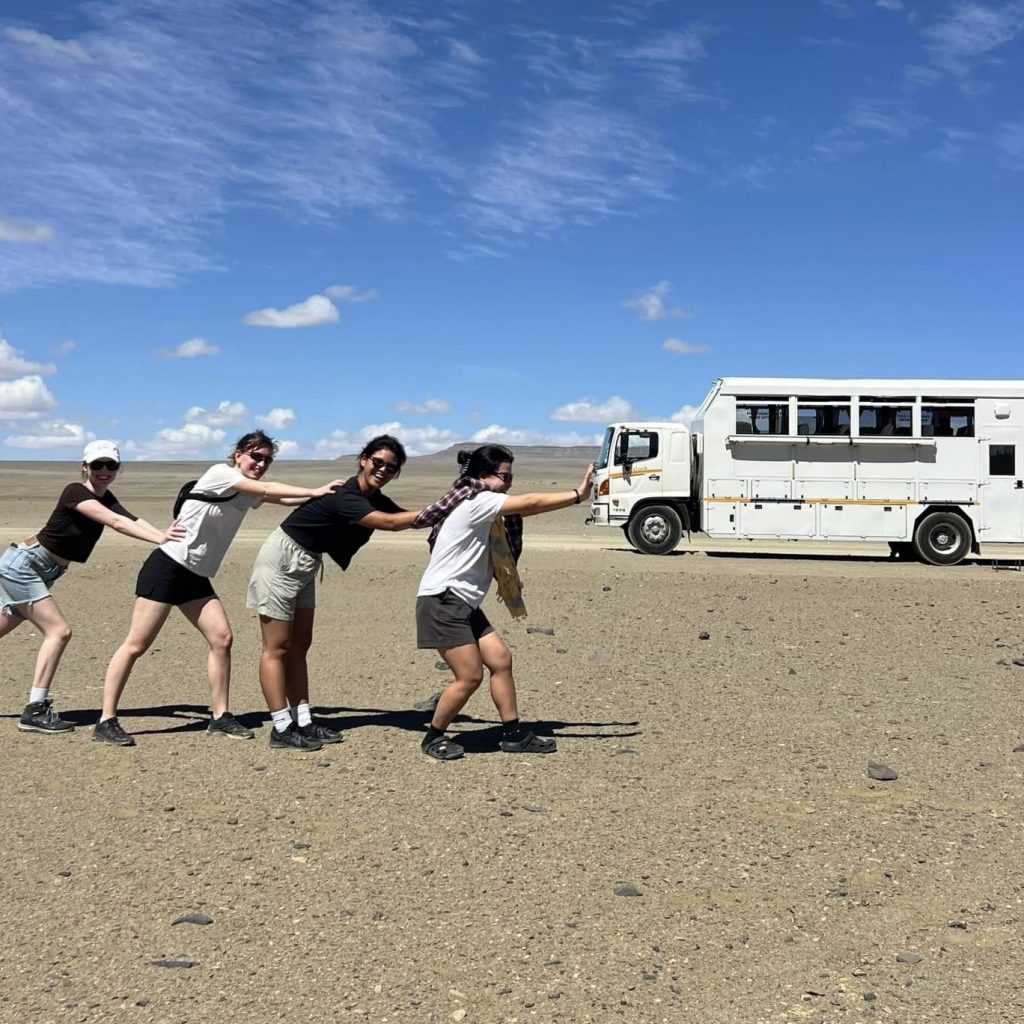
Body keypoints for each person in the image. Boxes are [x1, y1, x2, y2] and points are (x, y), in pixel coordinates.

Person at [93, 430, 345, 747]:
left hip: (195, 576)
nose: (261, 463)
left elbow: (278, 497)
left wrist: (321, 496)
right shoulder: (220, 474)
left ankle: (220, 716)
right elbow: (267, 488)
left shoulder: (243, 490)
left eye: (267, 459)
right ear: (238, 454)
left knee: (222, 638)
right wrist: (316, 489)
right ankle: (106, 720)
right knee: (136, 645)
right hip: (168, 567)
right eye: (255, 456)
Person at [413, 445, 594, 761]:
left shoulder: (476, 502)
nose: (509, 485)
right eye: (505, 477)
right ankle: (434, 737)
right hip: (444, 601)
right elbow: (531, 502)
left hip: (462, 602)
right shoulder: (477, 501)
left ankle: (513, 734)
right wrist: (578, 494)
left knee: (500, 659)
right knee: (469, 676)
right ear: (483, 475)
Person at [247, 434, 421, 751]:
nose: (382, 470)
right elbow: (391, 523)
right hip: (282, 559)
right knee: (277, 647)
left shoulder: (374, 497)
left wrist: (451, 510)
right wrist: (448, 507)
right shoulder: (348, 495)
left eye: (391, 468)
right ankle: (281, 727)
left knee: (300, 645)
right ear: (363, 460)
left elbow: (408, 517)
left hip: (308, 562)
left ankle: (303, 719)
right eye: (378, 462)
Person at [1, 441, 183, 734]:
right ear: (84, 467)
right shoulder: (76, 491)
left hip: (42, 570)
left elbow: (131, 518)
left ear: (118, 469)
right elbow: (116, 523)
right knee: (59, 632)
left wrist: (164, 534)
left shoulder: (106, 497)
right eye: (97, 465)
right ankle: (35, 709)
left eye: (111, 465)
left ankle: (35, 709)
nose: (104, 471)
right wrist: (160, 540)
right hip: (26, 566)